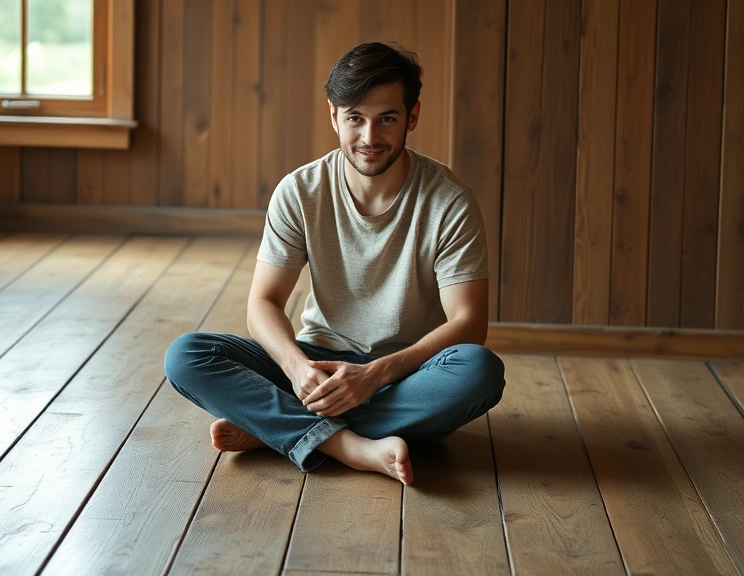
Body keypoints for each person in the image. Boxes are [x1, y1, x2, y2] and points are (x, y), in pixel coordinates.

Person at [164, 42, 505, 485]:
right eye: (355, 118)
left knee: (479, 370)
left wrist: (373, 375)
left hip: (405, 373)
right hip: (316, 364)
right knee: (187, 355)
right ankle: (352, 446)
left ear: (412, 117)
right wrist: (296, 369)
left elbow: (469, 323)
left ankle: (280, 429)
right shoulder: (300, 191)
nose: (369, 137)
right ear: (334, 116)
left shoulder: (450, 201)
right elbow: (263, 302)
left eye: (387, 118)